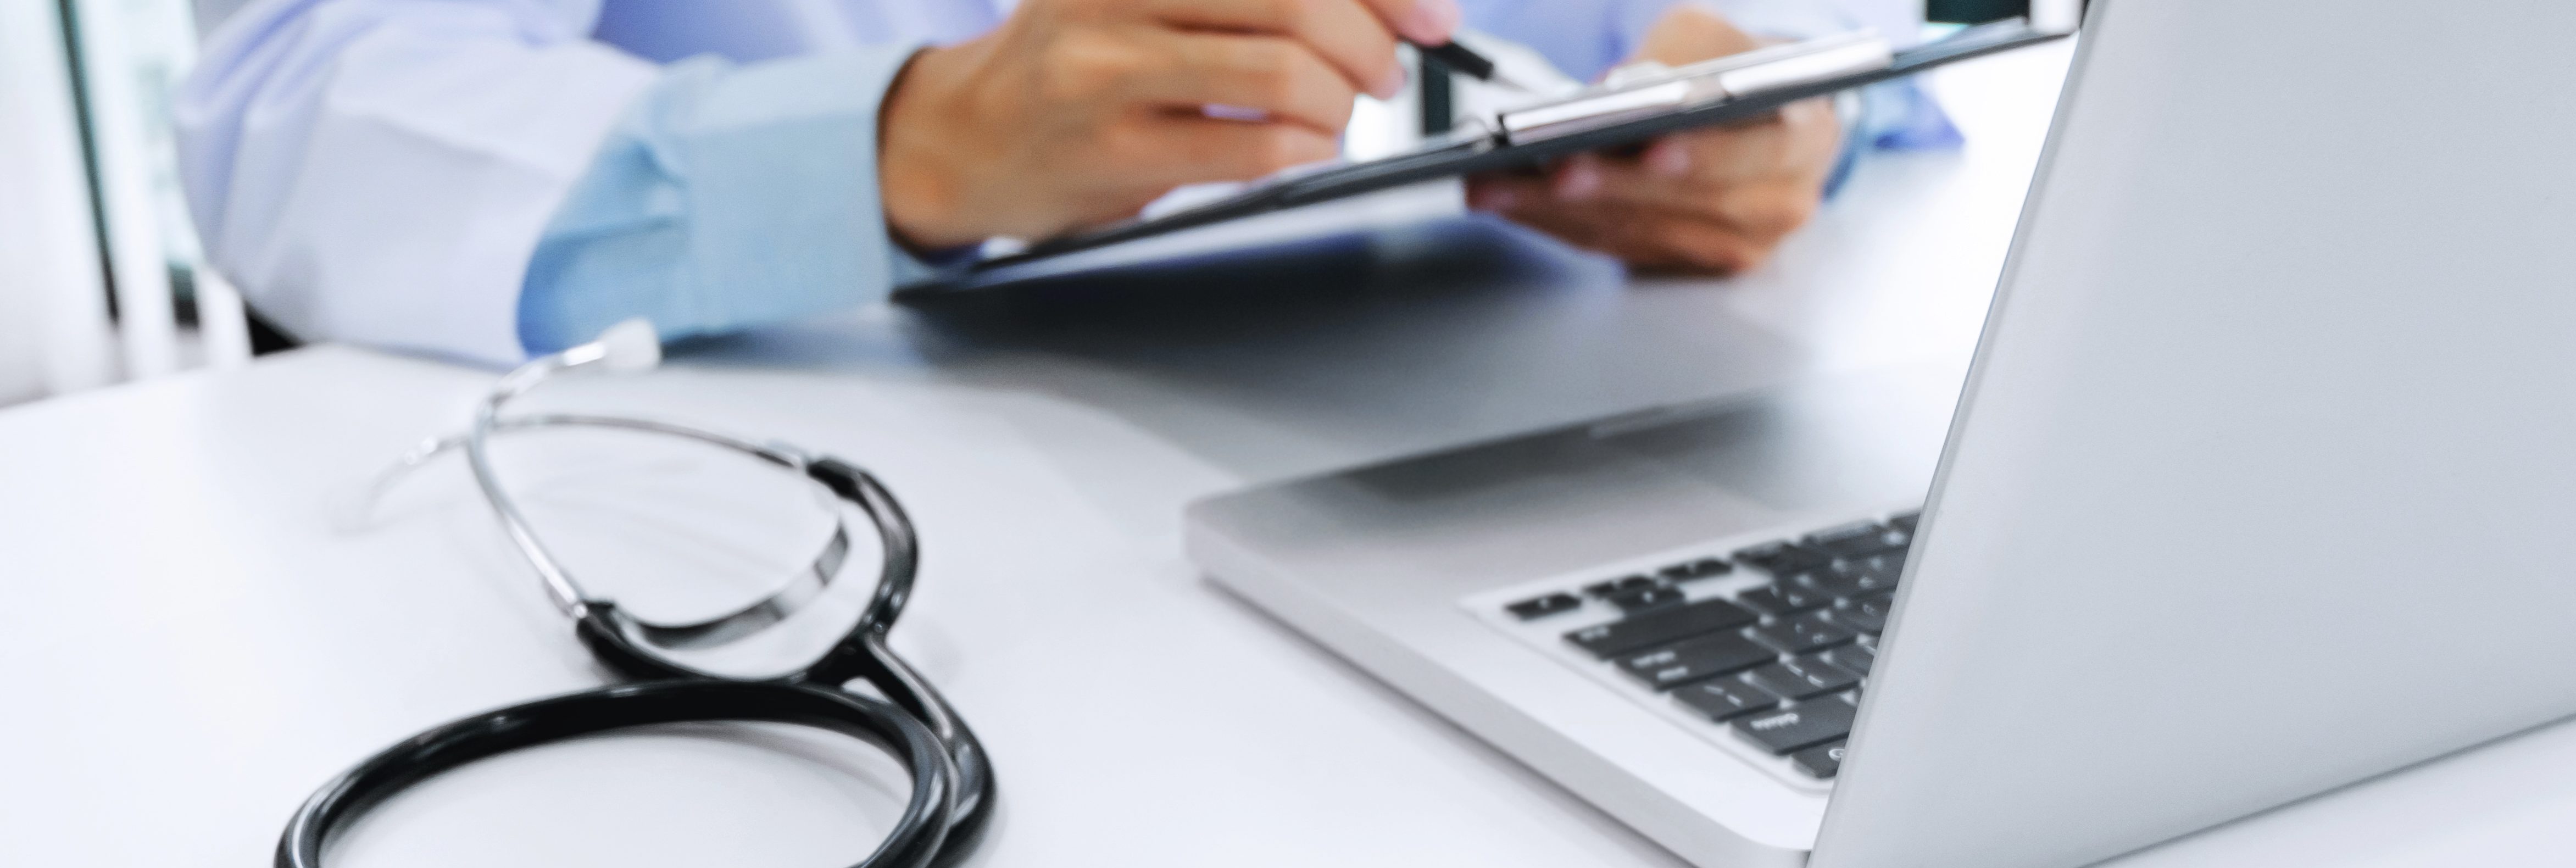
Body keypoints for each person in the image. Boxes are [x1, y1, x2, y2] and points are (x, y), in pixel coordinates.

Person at [176, 0, 1937, 364]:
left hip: (1595, 400)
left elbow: (1859, 31)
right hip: (856, 512)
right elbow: (291, 109)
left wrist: (1793, 102)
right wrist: (904, 141)